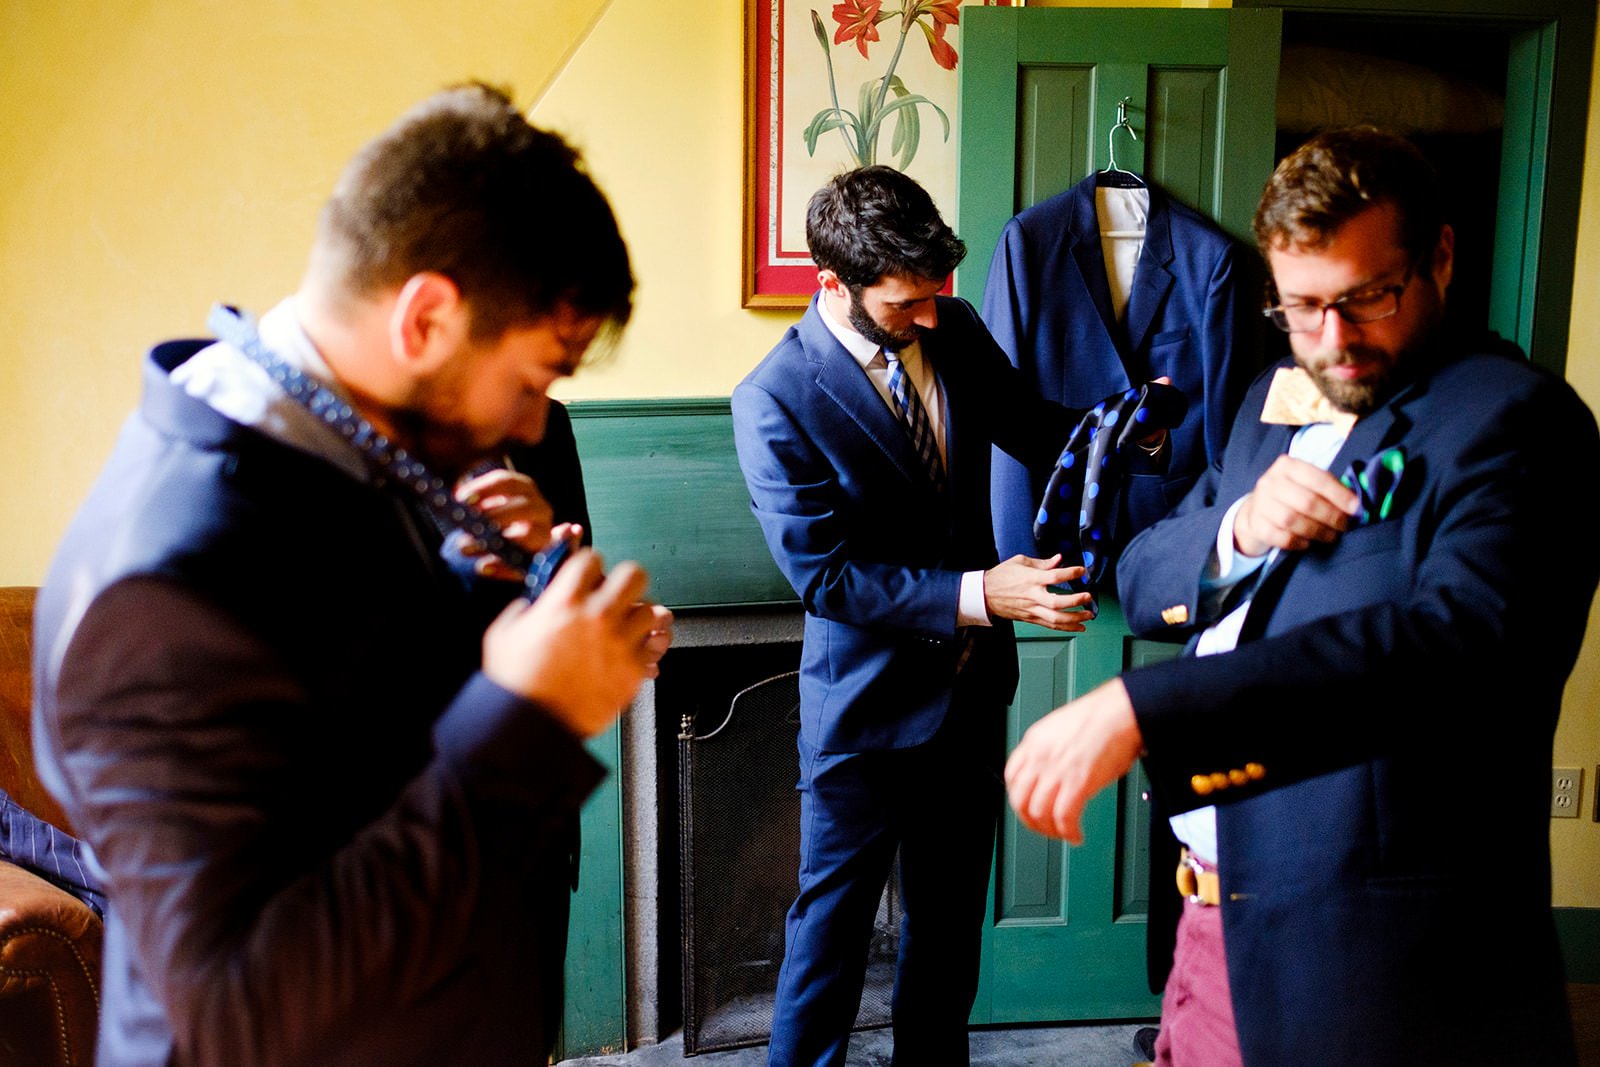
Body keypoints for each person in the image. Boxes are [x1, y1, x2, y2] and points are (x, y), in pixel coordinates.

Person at [31, 83, 670, 1066]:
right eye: (533, 378)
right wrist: (531, 715)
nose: (535, 426)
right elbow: (236, 1010)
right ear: (424, 317)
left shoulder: (354, 451)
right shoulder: (162, 579)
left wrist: (517, 590)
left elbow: (364, 740)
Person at [1003, 126, 1599, 1066]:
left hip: (1380, 976)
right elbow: (1145, 566)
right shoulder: (1268, 399)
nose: (1334, 341)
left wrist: (1143, 707)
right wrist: (1236, 527)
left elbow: (1455, 647)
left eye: (1367, 299)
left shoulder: (1515, 420)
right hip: (1210, 932)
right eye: (1303, 308)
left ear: (1439, 256)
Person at [731, 165, 1098, 1067]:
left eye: (935, 294)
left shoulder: (954, 321)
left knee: (948, 936)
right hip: (862, 714)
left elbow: (1033, 422)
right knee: (830, 939)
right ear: (833, 285)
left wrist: (1132, 428)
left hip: (969, 703)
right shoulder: (772, 399)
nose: (930, 316)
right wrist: (983, 595)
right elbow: (829, 576)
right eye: (904, 304)